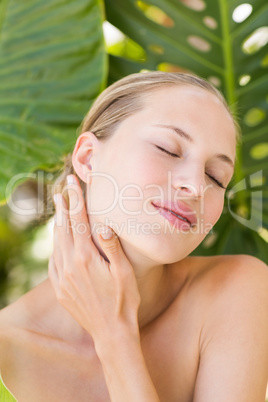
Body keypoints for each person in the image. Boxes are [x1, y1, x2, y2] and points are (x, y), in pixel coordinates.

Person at [0, 71, 268, 402]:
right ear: (88, 158)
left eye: (215, 176)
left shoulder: (235, 290)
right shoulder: (6, 352)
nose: (197, 186)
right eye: (168, 149)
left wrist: (115, 338)